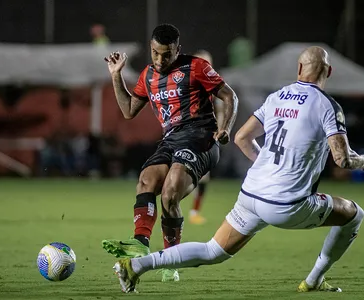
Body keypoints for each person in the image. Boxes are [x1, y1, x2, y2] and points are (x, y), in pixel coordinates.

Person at [111, 46, 364, 293]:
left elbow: (242, 137)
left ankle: (136, 265)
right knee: (354, 214)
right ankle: (314, 280)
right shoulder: (327, 106)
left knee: (213, 250)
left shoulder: (278, 97)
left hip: (251, 194)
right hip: (288, 205)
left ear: (299, 68)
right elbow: (342, 160)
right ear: (328, 72)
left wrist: (267, 168)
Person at [102, 24, 239, 282]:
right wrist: (116, 75)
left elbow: (230, 96)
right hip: (171, 140)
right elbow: (129, 110)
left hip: (201, 138)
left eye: (167, 54)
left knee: (169, 193)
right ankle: (140, 244)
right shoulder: (148, 75)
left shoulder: (196, 67)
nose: (160, 59)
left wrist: (225, 129)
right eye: (155, 53)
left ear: (178, 50)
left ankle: (170, 259)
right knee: (146, 180)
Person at [189, 49, 224, 225]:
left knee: (203, 177)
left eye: (208, 62)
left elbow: (221, 109)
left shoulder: (214, 85)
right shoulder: (186, 83)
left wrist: (221, 129)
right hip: (186, 135)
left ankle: (194, 211)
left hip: (206, 136)